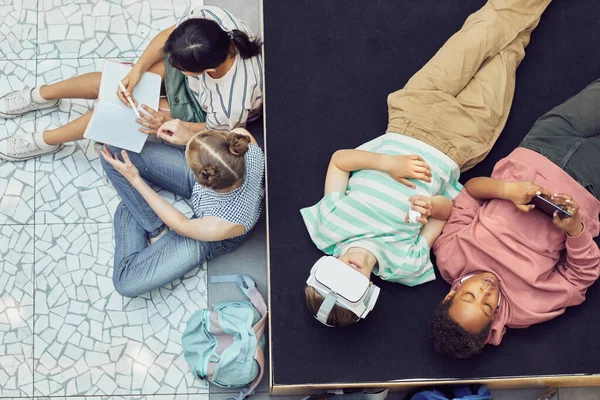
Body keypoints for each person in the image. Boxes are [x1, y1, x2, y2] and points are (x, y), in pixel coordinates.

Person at [302, 0, 552, 327]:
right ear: (367, 292)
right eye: (349, 284)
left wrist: (388, 164)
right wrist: (434, 207)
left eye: (335, 275)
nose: (349, 269)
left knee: (482, 31)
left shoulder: (328, 229)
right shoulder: (404, 265)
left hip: (411, 116)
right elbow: (453, 210)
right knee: (510, 52)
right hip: (461, 142)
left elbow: (340, 162)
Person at [429, 79, 600, 359]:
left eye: (470, 295)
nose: (485, 291)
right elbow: (582, 276)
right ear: (494, 320)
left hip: (539, 149)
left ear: (450, 295)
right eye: (487, 306)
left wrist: (508, 191)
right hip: (588, 183)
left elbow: (470, 192)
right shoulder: (528, 309)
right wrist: (575, 230)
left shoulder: (448, 255)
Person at [0, 6, 263, 161]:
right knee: (121, 82)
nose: (171, 65)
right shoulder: (210, 19)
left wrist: (172, 125)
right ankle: (41, 95)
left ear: (205, 71)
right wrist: (136, 71)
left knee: (125, 112)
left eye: (177, 67)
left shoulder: (231, 104)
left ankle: (47, 140)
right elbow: (169, 38)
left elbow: (211, 130)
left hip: (203, 110)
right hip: (199, 83)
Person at [99, 119, 264, 297]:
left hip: (210, 238)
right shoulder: (243, 143)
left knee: (125, 282)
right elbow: (217, 150)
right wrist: (190, 138)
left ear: (202, 184)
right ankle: (148, 219)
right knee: (111, 154)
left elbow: (182, 226)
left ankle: (146, 219)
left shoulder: (222, 224)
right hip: (217, 181)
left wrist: (135, 181)